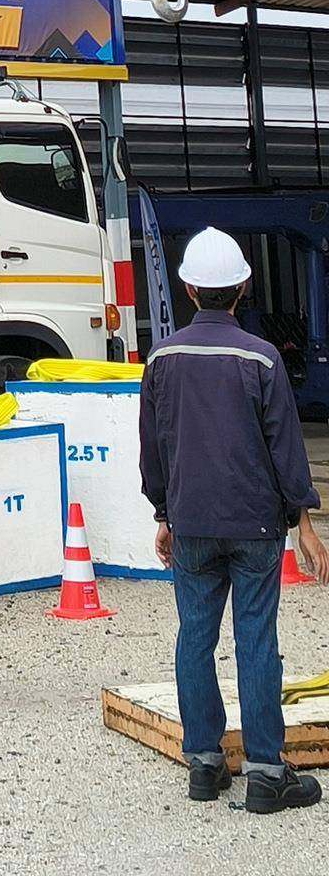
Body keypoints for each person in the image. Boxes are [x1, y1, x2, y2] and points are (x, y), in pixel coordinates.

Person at [140, 225, 327, 813]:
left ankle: (204, 764)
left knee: (195, 636)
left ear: (188, 287)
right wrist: (305, 523)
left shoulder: (162, 358)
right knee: (256, 639)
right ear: (244, 287)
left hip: (191, 522)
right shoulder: (262, 357)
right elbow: (285, 449)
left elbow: (155, 445)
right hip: (255, 526)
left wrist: (164, 513)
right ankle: (268, 774)